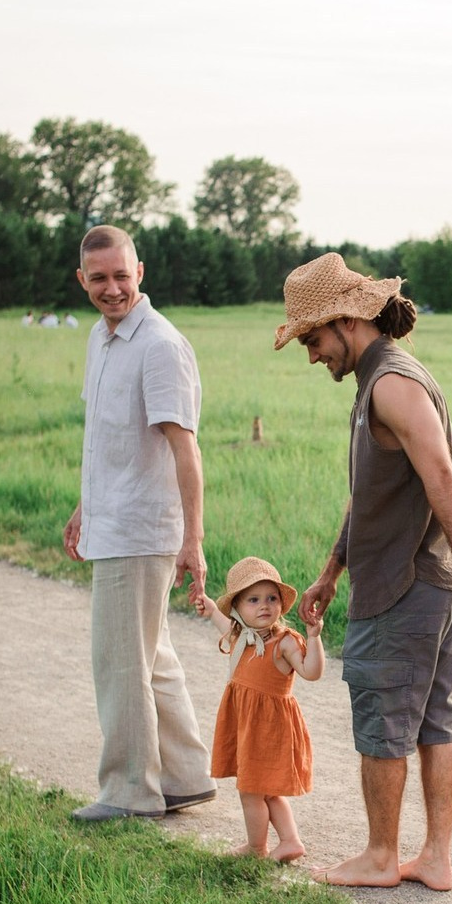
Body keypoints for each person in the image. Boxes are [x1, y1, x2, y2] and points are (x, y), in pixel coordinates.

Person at [274, 253, 452, 890]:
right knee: (436, 717)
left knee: (385, 715)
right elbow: (369, 490)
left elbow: (441, 474)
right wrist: (331, 570)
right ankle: (433, 859)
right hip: (431, 582)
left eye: (313, 338)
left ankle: (382, 856)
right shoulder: (379, 380)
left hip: (409, 585)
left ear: (346, 320)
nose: (310, 354)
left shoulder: (390, 382)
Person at [63, 224, 216, 821]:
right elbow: (109, 440)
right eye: (98, 278)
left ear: (140, 273)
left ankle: (130, 791)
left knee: (121, 661)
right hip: (112, 519)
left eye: (121, 275)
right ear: (82, 280)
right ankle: (182, 776)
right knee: (149, 656)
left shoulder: (158, 345)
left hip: (141, 530)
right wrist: (85, 507)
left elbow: (186, 450)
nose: (112, 288)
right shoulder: (103, 341)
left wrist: (193, 541)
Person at [194, 556, 324, 862]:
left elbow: (312, 672)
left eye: (271, 598)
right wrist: (211, 607)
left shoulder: (284, 642)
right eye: (253, 600)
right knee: (264, 791)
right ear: (238, 609)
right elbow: (224, 624)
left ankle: (256, 849)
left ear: (281, 603)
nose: (264, 605)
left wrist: (314, 637)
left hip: (269, 729)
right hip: (249, 727)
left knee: (251, 791)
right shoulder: (241, 637)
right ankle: (290, 841)